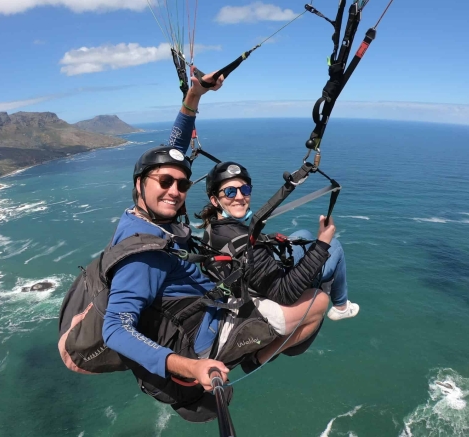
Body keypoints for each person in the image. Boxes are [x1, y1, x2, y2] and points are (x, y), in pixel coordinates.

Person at [101, 72, 328, 422]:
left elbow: (172, 153)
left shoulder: (148, 215)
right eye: (164, 182)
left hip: (207, 305)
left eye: (181, 183)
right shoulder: (141, 252)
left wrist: (193, 96)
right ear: (139, 184)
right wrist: (191, 367)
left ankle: (257, 350)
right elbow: (115, 328)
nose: (174, 190)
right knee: (319, 302)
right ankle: (253, 358)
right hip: (206, 336)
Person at [196, 161, 360, 325]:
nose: (239, 197)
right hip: (265, 292)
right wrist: (322, 244)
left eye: (245, 190)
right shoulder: (240, 242)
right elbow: (284, 293)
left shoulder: (213, 229)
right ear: (215, 200)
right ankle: (341, 306)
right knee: (334, 246)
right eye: (230, 192)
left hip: (248, 277)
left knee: (302, 234)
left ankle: (333, 291)